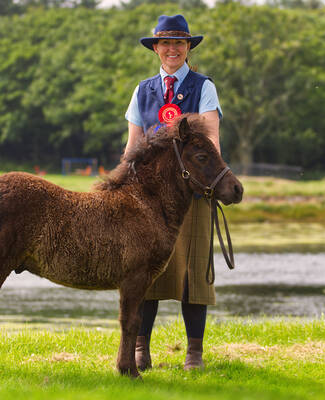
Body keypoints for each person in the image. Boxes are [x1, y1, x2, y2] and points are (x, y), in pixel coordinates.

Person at [124, 14, 223, 371]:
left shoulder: (203, 86)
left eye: (179, 43)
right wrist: (124, 182)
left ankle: (193, 353)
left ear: (187, 48)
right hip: (150, 198)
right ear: (155, 48)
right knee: (144, 272)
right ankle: (140, 349)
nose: (172, 49)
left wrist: (213, 179)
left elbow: (211, 137)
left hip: (192, 193)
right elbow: (133, 143)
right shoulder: (143, 90)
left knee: (194, 272)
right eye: (165, 43)